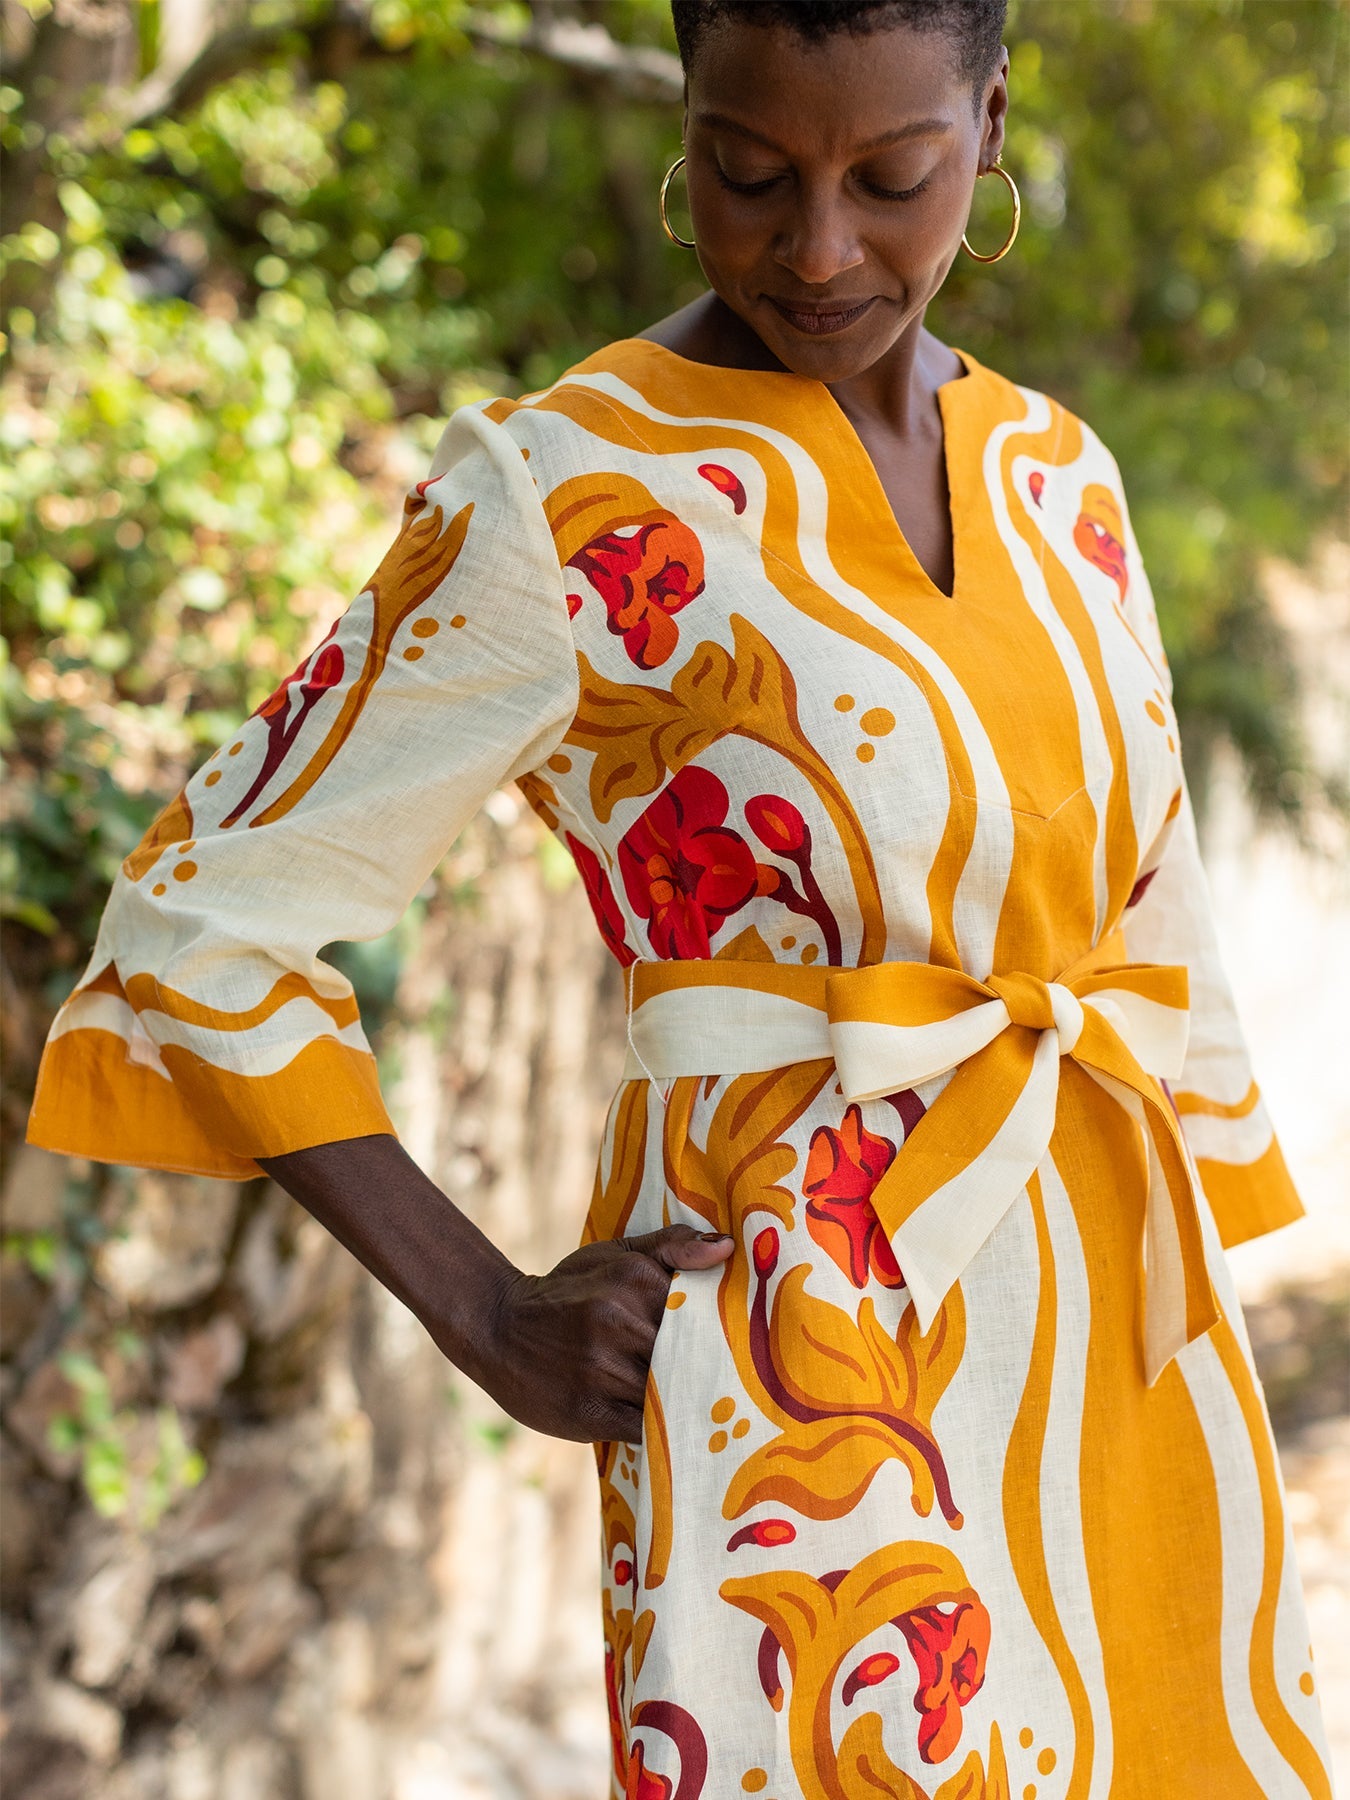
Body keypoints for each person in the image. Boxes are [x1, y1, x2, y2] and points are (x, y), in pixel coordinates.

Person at [27, 2, 1335, 1794]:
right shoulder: (565, 494)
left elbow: (1150, 936)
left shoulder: (1063, 483)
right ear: (688, 128)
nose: (816, 248)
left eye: (891, 178)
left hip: (1105, 1338)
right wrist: (480, 1310)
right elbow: (201, 917)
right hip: (794, 1382)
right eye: (746, 172)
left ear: (990, 120)